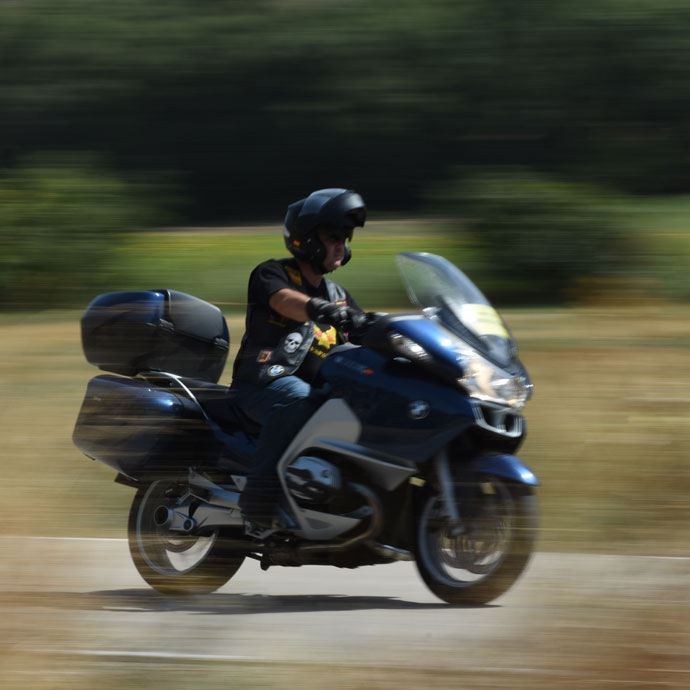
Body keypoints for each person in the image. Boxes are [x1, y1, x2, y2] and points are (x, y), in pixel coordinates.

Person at [231, 188, 367, 534]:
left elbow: (362, 335)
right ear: (307, 239)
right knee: (298, 400)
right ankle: (259, 500)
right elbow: (284, 301)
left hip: (318, 388)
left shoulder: (339, 296)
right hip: (263, 383)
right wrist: (317, 308)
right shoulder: (273, 274)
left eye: (346, 238)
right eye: (334, 236)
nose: (342, 245)